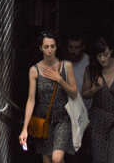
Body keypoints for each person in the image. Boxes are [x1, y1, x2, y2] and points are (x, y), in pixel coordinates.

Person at [19, 31, 77, 159]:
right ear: (41, 48)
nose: (50, 50)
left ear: (57, 47)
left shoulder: (66, 65)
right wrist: (25, 129)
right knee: (46, 159)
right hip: (43, 118)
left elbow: (74, 93)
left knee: (56, 158)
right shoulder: (34, 70)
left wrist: (59, 79)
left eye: (53, 46)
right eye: (46, 47)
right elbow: (31, 100)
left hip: (62, 117)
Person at [82, 36, 114, 163]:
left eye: (105, 54)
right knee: (98, 159)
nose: (102, 59)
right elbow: (84, 94)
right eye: (99, 56)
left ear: (111, 50)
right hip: (99, 120)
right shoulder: (91, 70)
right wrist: (94, 89)